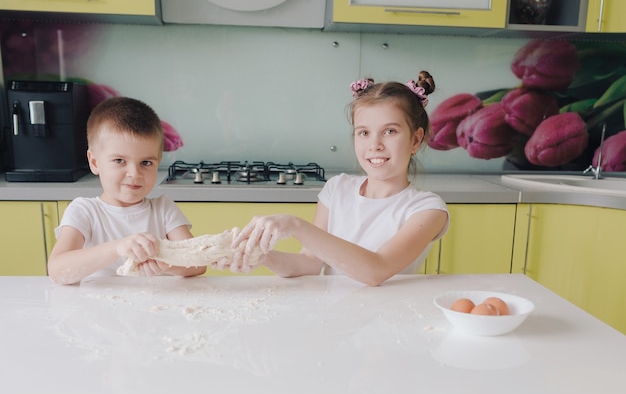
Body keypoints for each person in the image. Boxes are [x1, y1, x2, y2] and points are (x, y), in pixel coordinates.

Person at [219, 71, 449, 286]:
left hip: (388, 320)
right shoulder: (337, 188)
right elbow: (309, 263)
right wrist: (258, 255)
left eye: (390, 131)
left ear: (416, 140)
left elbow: (376, 270)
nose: (375, 145)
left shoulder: (427, 209)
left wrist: (295, 225)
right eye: (364, 133)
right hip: (335, 316)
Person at [48, 97, 206, 284]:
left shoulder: (164, 209)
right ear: (95, 162)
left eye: (146, 162)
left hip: (157, 307)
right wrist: (117, 248)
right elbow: (58, 271)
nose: (134, 173)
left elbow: (198, 264)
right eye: (119, 161)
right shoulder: (85, 211)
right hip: (98, 310)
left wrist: (167, 264)